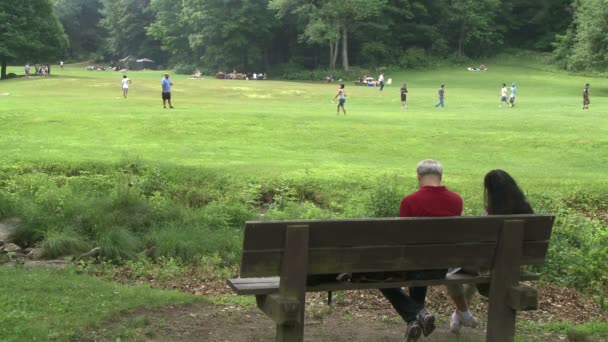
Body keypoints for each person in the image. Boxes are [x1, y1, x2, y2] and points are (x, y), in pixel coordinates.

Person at [380, 160, 463, 342]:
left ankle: (415, 315)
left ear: (418, 177)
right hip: (441, 266)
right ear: (440, 177)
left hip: (414, 264)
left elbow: (403, 240)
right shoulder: (456, 200)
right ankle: (417, 320)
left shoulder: (410, 201)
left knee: (378, 274)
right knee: (422, 264)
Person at [446, 169, 533, 335]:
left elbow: (480, 246)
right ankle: (460, 316)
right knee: (470, 273)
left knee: (450, 267)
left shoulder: (491, 213)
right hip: (517, 266)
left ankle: (462, 313)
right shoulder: (526, 209)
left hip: (490, 265)